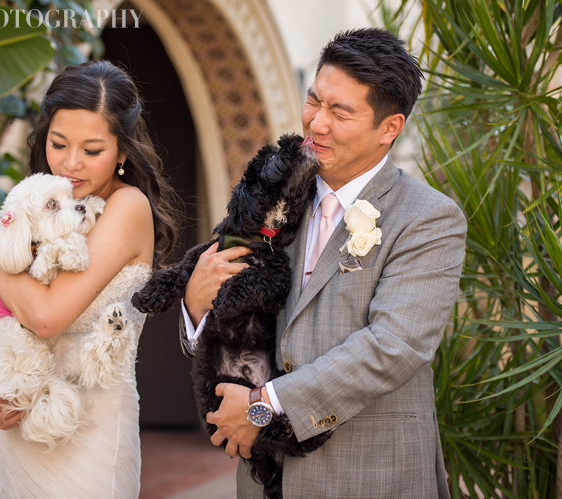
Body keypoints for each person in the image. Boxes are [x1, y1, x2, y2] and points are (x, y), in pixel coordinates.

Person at [181, 28, 465, 497]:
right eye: (314, 101)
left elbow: (393, 347)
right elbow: (236, 305)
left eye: (341, 111)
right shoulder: (275, 193)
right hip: (264, 479)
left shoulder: (428, 218)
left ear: (389, 128)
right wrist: (195, 308)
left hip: (371, 474)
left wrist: (263, 404)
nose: (316, 123)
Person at [0, 60, 178, 498]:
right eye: (58, 143)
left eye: (93, 149)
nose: (70, 163)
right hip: (23, 427)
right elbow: (12, 317)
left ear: (122, 151)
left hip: (90, 435)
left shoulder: (127, 207)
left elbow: (45, 317)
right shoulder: (45, 204)